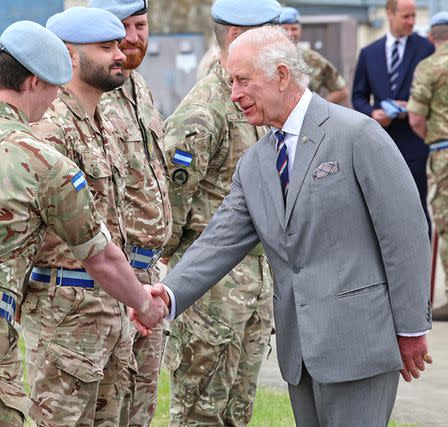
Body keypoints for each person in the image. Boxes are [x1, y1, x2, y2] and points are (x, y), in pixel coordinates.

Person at [135, 25, 434, 426]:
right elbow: (219, 241)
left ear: (281, 75)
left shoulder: (356, 134)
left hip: (360, 345)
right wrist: (167, 296)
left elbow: (405, 235)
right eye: (230, 82)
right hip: (301, 354)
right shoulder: (256, 162)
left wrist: (412, 327)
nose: (234, 93)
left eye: (243, 81)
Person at [0, 21, 165, 425]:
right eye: (54, 87)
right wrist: (144, 304)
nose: (55, 98)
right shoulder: (43, 160)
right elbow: (102, 257)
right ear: (33, 82)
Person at [20, 8, 157, 426]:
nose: (120, 54)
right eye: (106, 47)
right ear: (68, 55)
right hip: (68, 311)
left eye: (118, 44)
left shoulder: (103, 121)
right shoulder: (51, 127)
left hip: (111, 303)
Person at [159, 0, 278, 425]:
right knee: (199, 411)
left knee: (237, 411)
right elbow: (170, 204)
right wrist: (180, 261)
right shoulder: (203, 110)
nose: (280, 41)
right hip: (212, 287)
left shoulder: (255, 99)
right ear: (236, 37)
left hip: (255, 280)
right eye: (271, 31)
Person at [88, 1, 172, 425]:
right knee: (105, 411)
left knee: (138, 412)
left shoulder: (141, 90)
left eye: (141, 25)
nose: (134, 37)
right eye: (124, 28)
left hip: (148, 278)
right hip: (107, 282)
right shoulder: (90, 95)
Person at [352, 0, 434, 230]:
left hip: (414, 142)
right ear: (389, 14)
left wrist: (411, 106)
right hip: (380, 141)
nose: (411, 22)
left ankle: (423, 264)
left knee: (418, 208)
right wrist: (372, 112)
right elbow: (358, 96)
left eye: (413, 16)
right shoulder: (369, 53)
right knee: (383, 209)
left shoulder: (425, 49)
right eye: (406, 16)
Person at [408, 11, 448, 321]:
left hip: (444, 152)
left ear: (432, 37)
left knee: (445, 226)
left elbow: (416, 117)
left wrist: (431, 140)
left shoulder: (429, 67)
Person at [279, 7, 349, 105]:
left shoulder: (313, 59)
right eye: (285, 29)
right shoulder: (266, 57)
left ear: (300, 30)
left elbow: (342, 91)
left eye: (294, 29)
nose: (290, 33)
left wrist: (317, 107)